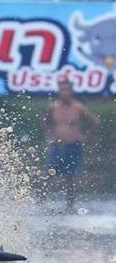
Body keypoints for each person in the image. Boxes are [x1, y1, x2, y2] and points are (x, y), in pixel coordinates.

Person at [42, 79, 100, 213]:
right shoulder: (53, 107)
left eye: (67, 89)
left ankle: (69, 205)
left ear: (72, 91)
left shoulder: (78, 107)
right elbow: (44, 122)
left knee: (71, 177)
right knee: (48, 174)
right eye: (62, 90)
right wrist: (48, 137)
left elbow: (95, 122)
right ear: (59, 91)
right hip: (56, 145)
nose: (65, 93)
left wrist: (86, 136)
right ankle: (41, 202)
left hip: (73, 145)